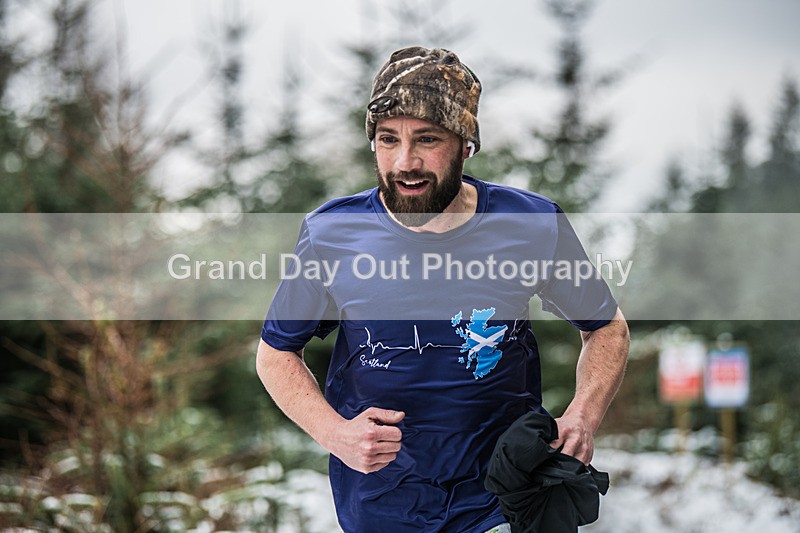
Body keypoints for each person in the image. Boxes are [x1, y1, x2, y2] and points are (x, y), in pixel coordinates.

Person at [256, 46, 629, 533]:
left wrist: (582, 415)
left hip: (504, 498)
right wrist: (336, 434)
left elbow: (607, 327)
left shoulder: (530, 224)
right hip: (383, 504)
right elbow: (275, 353)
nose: (405, 162)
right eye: (388, 140)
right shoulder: (332, 233)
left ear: (465, 143)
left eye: (427, 139)